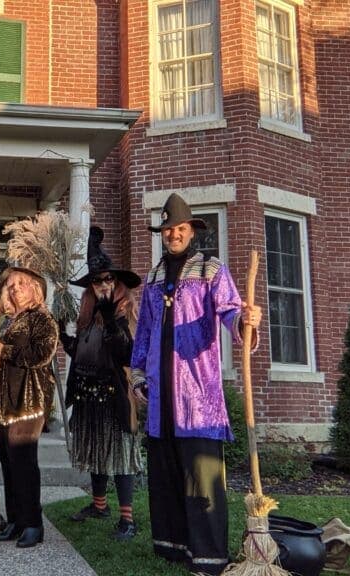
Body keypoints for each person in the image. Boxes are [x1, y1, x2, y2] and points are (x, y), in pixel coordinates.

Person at [130, 193, 262, 576]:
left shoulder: (210, 269)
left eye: (181, 228)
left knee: (201, 476)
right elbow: (145, 333)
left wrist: (244, 320)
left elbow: (230, 311)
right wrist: (138, 374)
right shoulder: (153, 277)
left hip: (197, 395)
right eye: (168, 228)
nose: (174, 234)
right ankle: (172, 545)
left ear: (191, 232)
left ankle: (207, 555)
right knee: (167, 473)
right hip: (161, 396)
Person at [60, 227, 143, 540]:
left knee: (120, 454)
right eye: (98, 281)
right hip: (87, 394)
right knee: (96, 449)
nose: (104, 285)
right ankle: (99, 505)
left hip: (115, 395)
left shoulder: (125, 313)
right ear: (91, 286)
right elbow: (83, 352)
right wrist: (62, 335)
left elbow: (127, 353)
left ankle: (127, 520)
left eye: (109, 279)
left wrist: (110, 320)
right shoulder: (87, 314)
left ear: (117, 283)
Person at [0, 267, 58, 549]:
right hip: (2, 403)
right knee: (8, 462)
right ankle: (14, 519)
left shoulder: (42, 319)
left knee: (24, 462)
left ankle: (32, 524)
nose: (14, 289)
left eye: (21, 284)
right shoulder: (7, 321)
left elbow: (42, 354)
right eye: (11, 285)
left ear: (35, 289)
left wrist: (6, 351)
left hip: (28, 401)